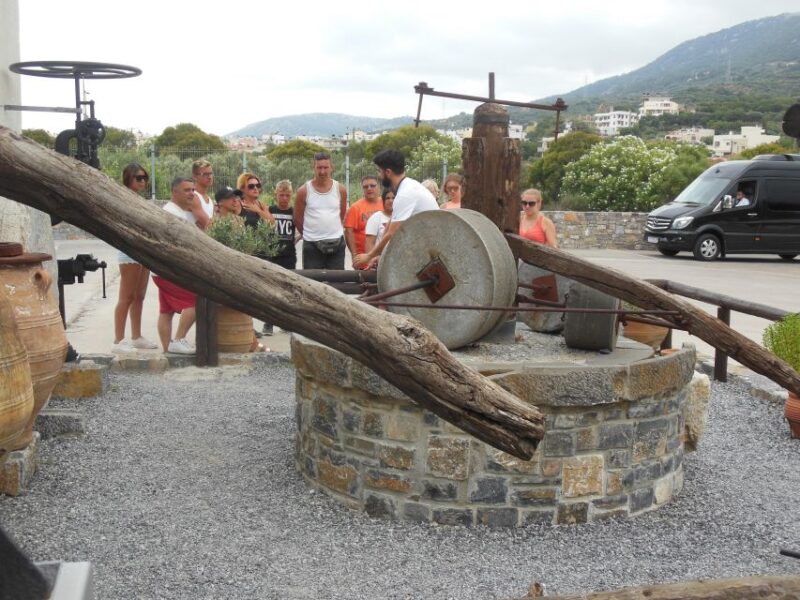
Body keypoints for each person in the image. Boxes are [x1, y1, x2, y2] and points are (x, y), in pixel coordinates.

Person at [353, 150, 438, 268]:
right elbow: (390, 224)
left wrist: (369, 256)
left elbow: (392, 233)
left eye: (379, 171)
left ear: (388, 172)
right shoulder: (407, 186)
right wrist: (379, 255)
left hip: (430, 249)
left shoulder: (405, 194)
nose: (379, 175)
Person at [151, 177, 205, 354]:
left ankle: (167, 351)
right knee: (197, 300)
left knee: (166, 311)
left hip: (166, 270)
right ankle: (179, 339)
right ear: (174, 192)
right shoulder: (169, 212)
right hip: (169, 270)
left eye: (193, 190)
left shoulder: (186, 212)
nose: (191, 193)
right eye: (187, 190)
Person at [111, 164, 159, 353]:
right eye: (138, 178)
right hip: (129, 252)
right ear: (128, 178)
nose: (142, 181)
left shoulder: (139, 199)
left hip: (142, 250)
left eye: (144, 178)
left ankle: (136, 336)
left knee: (139, 296)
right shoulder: (121, 198)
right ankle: (118, 340)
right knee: (126, 297)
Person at [294, 152, 348, 270]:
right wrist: (309, 234)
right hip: (312, 245)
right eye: (319, 167)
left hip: (337, 243)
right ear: (313, 168)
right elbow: (297, 218)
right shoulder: (303, 191)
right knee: (312, 279)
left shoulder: (341, 190)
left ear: (331, 167)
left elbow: (342, 215)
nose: (322, 171)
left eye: (325, 167)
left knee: (338, 279)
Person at [344, 175, 384, 269]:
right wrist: (354, 255)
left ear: (379, 186)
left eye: (372, 185)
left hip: (384, 258)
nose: (369, 188)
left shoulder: (387, 204)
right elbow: (349, 232)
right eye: (365, 187)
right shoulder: (355, 208)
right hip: (364, 261)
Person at [364, 187, 394, 255]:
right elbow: (369, 243)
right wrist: (373, 259)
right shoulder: (375, 218)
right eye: (387, 198)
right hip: (381, 258)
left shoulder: (403, 217)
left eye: (393, 198)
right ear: (383, 201)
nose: (391, 201)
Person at [191, 159, 214, 229]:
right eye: (205, 174)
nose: (209, 177)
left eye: (211, 173)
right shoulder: (193, 196)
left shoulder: (210, 199)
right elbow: (208, 223)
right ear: (195, 176)